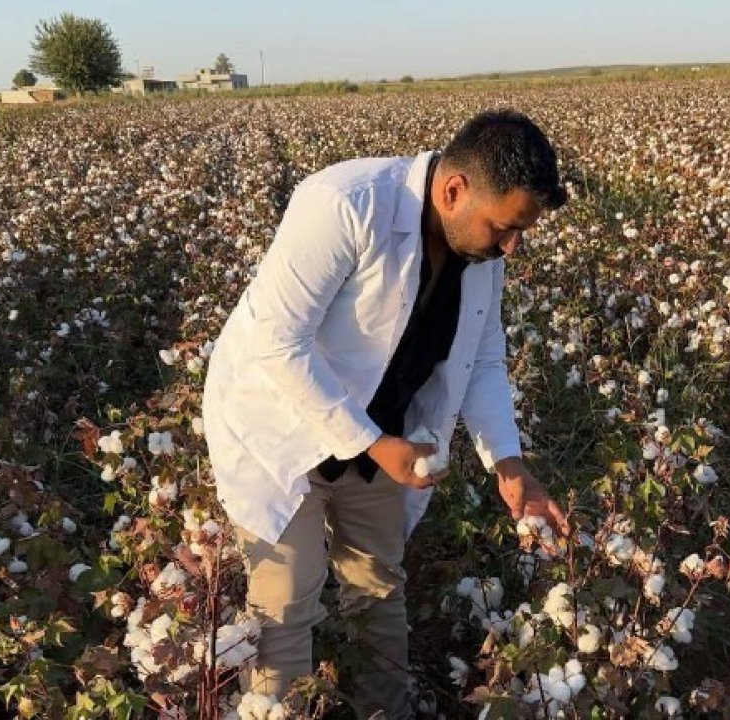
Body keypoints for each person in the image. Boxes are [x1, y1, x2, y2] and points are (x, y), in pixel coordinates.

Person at [202, 109, 571, 719]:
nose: (511, 246)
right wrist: (372, 443)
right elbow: (277, 344)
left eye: (520, 232)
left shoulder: (482, 258)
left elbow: (482, 361)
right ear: (454, 191)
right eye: (503, 228)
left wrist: (508, 462)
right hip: (279, 428)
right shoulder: (343, 204)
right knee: (287, 602)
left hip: (383, 439)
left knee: (378, 589)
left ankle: (386, 711)